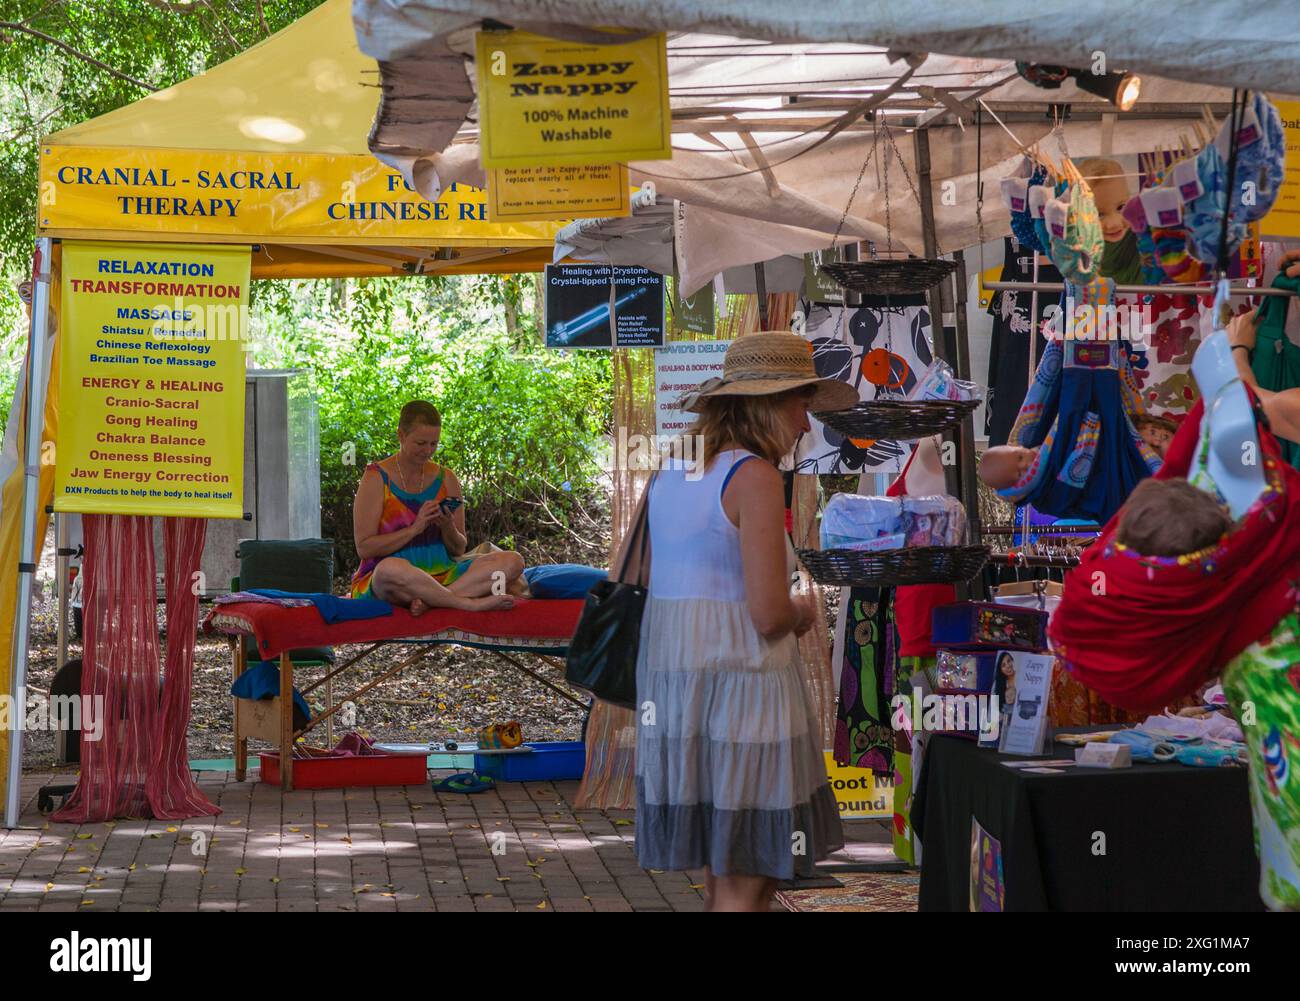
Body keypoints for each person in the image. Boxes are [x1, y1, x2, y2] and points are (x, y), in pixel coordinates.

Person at [634, 332, 854, 912]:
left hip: (680, 692)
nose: (807, 424)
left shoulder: (672, 472)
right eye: (800, 404)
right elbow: (768, 614)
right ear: (767, 403)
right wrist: (808, 610)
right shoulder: (753, 476)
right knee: (749, 876)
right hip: (743, 694)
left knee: (724, 873)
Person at [350, 400, 522, 614]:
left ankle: (431, 601)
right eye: (421, 443)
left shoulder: (447, 478)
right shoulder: (376, 477)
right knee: (388, 569)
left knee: (513, 561)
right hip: (397, 580)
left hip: (443, 573)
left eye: (434, 444)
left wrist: (447, 526)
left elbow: (458, 549)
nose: (428, 451)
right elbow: (365, 548)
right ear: (401, 436)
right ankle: (466, 603)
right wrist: (415, 529)